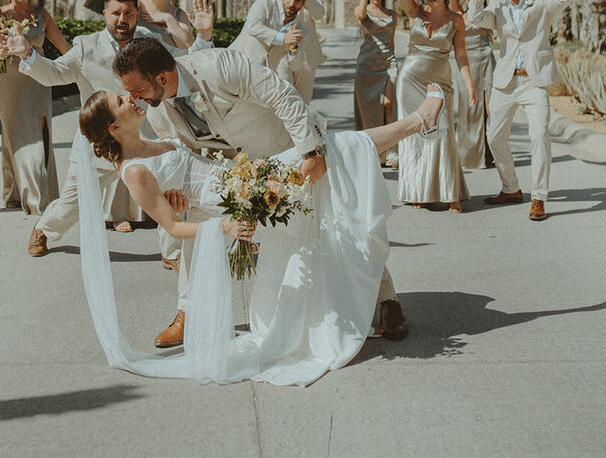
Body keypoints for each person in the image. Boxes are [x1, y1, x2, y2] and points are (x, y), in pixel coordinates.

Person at [70, 83, 445, 386]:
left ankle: (417, 125)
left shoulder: (150, 138)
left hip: (243, 179)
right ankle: (417, 122)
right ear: (114, 128)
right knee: (336, 150)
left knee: (333, 162)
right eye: (121, 100)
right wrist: (226, 227)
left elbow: (184, 182)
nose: (131, 97)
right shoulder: (133, 172)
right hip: (242, 201)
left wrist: (186, 193)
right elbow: (171, 227)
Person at [108, 38, 410, 349]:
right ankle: (188, 311)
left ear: (161, 77)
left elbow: (282, 96)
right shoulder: (157, 112)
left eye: (137, 89)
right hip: (232, 177)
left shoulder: (218, 66)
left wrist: (311, 151)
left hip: (287, 150)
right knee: (197, 223)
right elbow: (185, 154)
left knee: (336, 224)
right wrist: (176, 194)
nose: (133, 98)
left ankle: (386, 299)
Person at [7, 0, 215, 253]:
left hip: (145, 144)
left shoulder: (151, 42)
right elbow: (55, 73)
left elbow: (183, 64)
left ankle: (172, 254)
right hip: (98, 144)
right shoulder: (84, 46)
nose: (122, 19)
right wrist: (28, 55)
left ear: (137, 15)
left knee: (170, 197)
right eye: (116, 13)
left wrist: (204, 36)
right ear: (105, 14)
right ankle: (44, 228)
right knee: (72, 204)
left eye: (129, 13)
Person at [467, 0, 573, 221]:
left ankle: (538, 197)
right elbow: (475, 17)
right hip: (505, 82)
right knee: (494, 138)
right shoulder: (497, 7)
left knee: (538, 135)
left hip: (534, 81)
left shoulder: (541, 1)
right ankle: (511, 187)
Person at [382, 0, 477, 212]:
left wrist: (468, 84)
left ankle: (451, 193)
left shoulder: (456, 20)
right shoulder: (416, 12)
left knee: (443, 132)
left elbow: (461, 56)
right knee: (413, 134)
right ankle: (418, 191)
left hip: (441, 83)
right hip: (410, 82)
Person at [0, 0, 72, 214]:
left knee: (39, 133)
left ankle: (35, 193)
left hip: (38, 82)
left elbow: (63, 45)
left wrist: (84, 64)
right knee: (12, 135)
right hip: (10, 82)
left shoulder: (41, 15)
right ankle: (22, 194)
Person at [229, 0, 324, 102]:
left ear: (303, 3)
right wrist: (283, 38)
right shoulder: (265, 4)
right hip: (236, 67)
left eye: (297, 1)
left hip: (262, 80)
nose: (292, 4)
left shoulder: (301, 30)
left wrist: (293, 49)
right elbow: (252, 27)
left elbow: (295, 65)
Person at [353, 0, 398, 166]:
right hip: (366, 67)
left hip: (389, 65)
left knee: (389, 104)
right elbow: (360, 15)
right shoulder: (363, 11)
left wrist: (393, 61)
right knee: (370, 112)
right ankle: (374, 152)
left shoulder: (392, 15)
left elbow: (392, 41)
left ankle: (392, 152)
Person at [455, 0, 495, 169]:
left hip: (486, 62)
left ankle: (490, 152)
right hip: (467, 65)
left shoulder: (486, 16)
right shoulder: (459, 16)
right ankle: (469, 155)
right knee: (470, 109)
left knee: (490, 109)